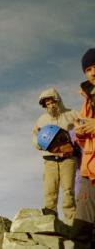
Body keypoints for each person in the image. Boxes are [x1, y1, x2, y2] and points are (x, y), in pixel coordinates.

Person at [32, 88, 78, 222]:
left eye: (52, 102)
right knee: (49, 192)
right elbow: (34, 136)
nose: (50, 105)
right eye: (47, 103)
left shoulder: (72, 114)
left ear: (58, 100)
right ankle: (49, 222)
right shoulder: (41, 119)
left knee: (68, 191)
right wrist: (41, 144)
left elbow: (83, 125)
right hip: (49, 160)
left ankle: (71, 221)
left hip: (68, 159)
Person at [71, 48, 95, 248]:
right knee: (80, 231)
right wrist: (80, 134)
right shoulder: (87, 100)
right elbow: (85, 139)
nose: (93, 72)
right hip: (90, 171)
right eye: (88, 69)